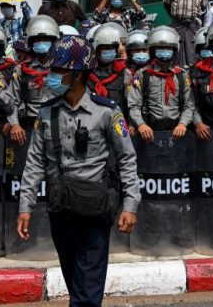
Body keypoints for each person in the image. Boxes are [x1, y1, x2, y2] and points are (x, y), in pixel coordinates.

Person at [16, 35, 139, 307]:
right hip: (61, 208)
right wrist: (25, 206)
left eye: (58, 71)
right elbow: (35, 161)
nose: (51, 76)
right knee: (74, 279)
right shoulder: (47, 112)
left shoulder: (107, 112)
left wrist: (130, 204)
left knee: (88, 285)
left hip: (96, 207)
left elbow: (127, 158)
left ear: (78, 75)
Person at [127, 26, 195, 142]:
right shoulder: (142, 75)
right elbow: (133, 105)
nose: (164, 51)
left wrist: (183, 124)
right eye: (160, 48)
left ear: (174, 50)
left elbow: (189, 105)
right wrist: (141, 124)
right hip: (149, 133)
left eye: (168, 48)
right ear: (153, 50)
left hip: (177, 132)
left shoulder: (181, 75)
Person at [9, 15, 60, 146]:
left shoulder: (62, 68)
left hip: (59, 122)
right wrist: (14, 124)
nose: (41, 42)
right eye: (37, 39)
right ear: (31, 43)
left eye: (46, 39)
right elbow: (13, 100)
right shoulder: (22, 69)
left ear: (54, 41)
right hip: (31, 124)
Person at [88, 24, 133, 115]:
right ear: (96, 49)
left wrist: (132, 123)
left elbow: (132, 102)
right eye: (105, 47)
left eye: (112, 48)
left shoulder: (124, 73)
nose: (109, 51)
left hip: (117, 120)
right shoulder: (85, 73)